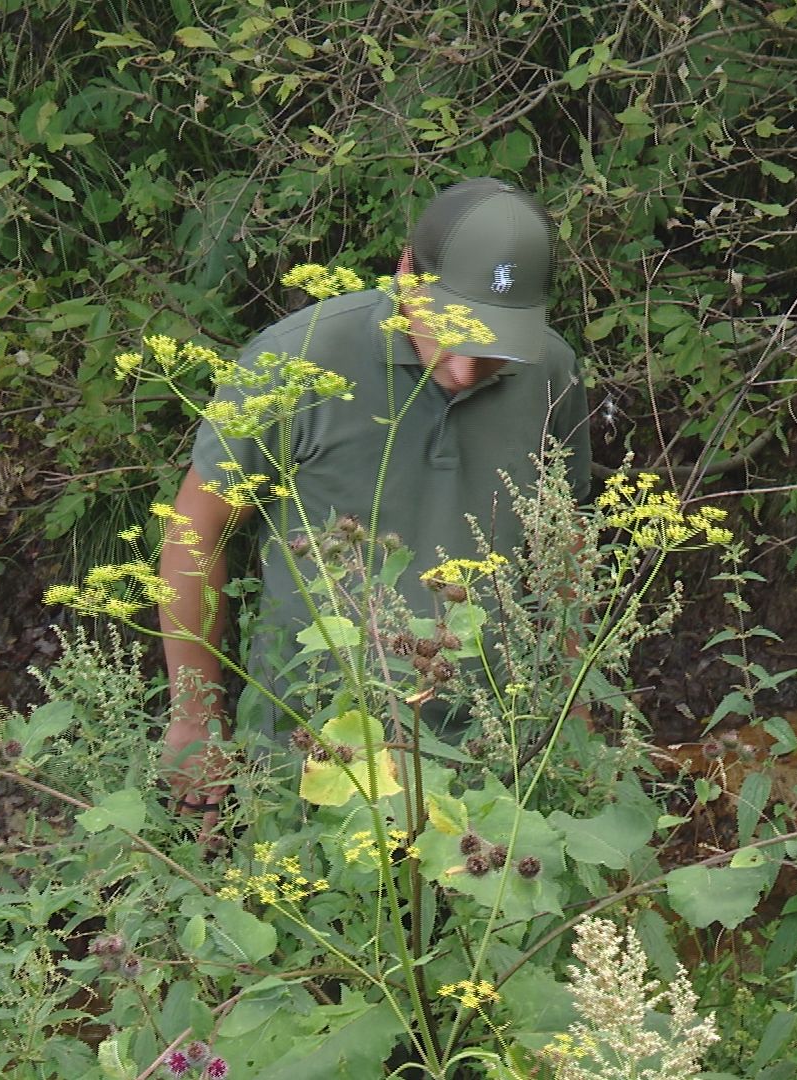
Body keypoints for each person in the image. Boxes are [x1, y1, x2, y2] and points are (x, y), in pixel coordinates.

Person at [157, 177, 594, 822]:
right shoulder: (299, 360)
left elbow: (562, 547)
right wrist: (195, 714)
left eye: (493, 348)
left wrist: (573, 715)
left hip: (491, 760)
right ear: (409, 273)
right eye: (453, 329)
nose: (466, 370)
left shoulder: (552, 373)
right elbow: (199, 527)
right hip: (309, 755)